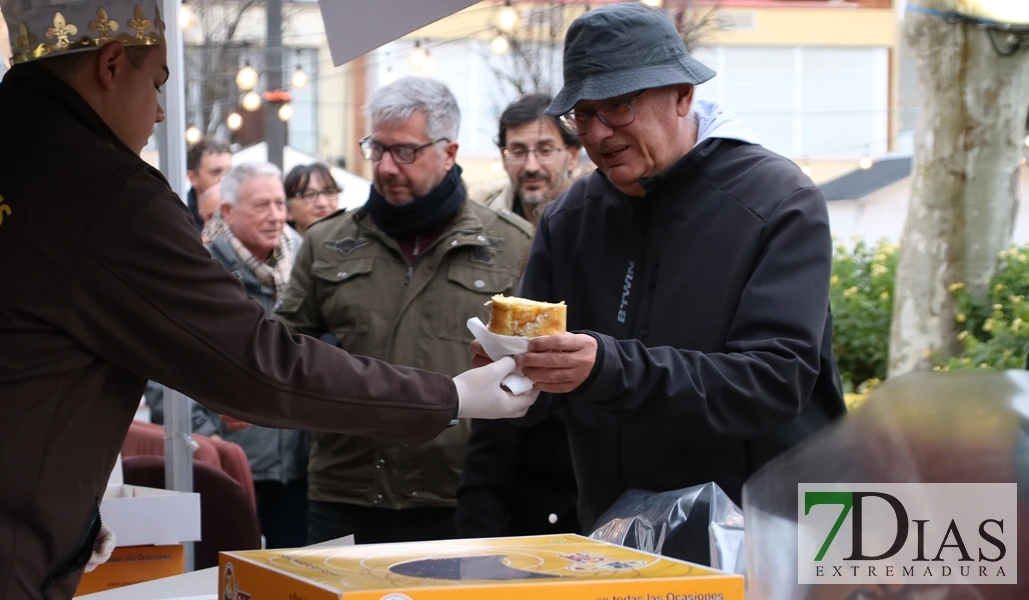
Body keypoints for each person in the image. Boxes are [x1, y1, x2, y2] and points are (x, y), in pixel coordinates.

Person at [0, 2, 536, 598]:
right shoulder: (105, 194)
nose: (161, 112)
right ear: (111, 65)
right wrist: (450, 395)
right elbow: (261, 365)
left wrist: (73, 504)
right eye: (157, 82)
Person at [472, 2, 847, 533]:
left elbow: (774, 380)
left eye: (619, 106)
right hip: (611, 532)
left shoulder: (778, 200)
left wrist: (606, 367)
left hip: (759, 534)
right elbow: (536, 405)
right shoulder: (569, 217)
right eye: (583, 113)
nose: (599, 133)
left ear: (682, 96)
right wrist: (515, 368)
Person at [277, 76, 534, 545]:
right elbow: (281, 352)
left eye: (406, 152)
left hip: (460, 497)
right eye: (377, 149)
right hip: (345, 495)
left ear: (449, 152)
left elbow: (536, 370)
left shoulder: (512, 244)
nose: (388, 166)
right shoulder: (326, 243)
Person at [457, 93, 583, 539]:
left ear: (572, 153)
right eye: (518, 150)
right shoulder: (481, 229)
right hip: (503, 421)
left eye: (545, 149)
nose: (531, 164)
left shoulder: (594, 224)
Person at [190, 162, 311, 549]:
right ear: (227, 212)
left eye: (280, 204)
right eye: (262, 205)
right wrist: (214, 445)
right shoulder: (203, 273)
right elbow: (166, 372)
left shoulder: (305, 266)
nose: (276, 216)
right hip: (233, 465)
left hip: (299, 467)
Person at [474, 93, 581, 223]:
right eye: (518, 152)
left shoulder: (596, 221)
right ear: (504, 158)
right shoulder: (481, 226)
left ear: (573, 156)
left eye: (545, 151)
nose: (531, 167)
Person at [283, 162, 342, 239]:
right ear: (288, 211)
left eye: (329, 192)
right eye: (309, 195)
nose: (322, 203)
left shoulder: (354, 245)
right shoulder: (280, 249)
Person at [186, 137, 232, 232]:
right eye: (215, 172)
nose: (224, 178)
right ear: (192, 177)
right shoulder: (180, 216)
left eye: (228, 172)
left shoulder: (243, 209)